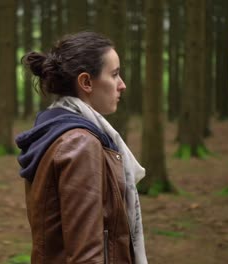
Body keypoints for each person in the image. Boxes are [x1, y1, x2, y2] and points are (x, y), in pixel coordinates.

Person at [15, 31, 147, 264]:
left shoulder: (55, 129)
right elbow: (86, 254)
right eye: (114, 74)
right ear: (86, 82)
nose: (122, 85)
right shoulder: (80, 143)